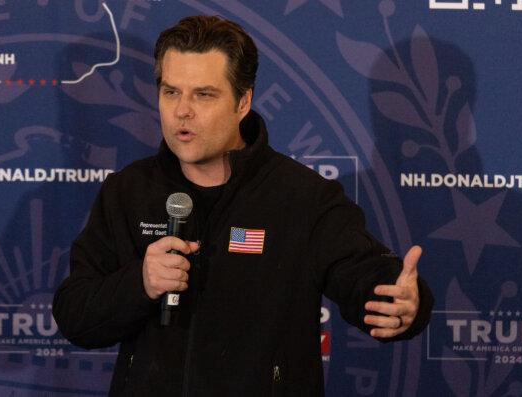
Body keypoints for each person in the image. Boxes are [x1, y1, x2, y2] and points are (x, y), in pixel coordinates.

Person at [52, 15, 433, 396]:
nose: (182, 111)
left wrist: (401, 301)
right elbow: (75, 315)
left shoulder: (302, 197)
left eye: (203, 94)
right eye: (171, 92)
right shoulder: (127, 192)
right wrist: (140, 283)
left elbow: (364, 275)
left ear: (243, 102)